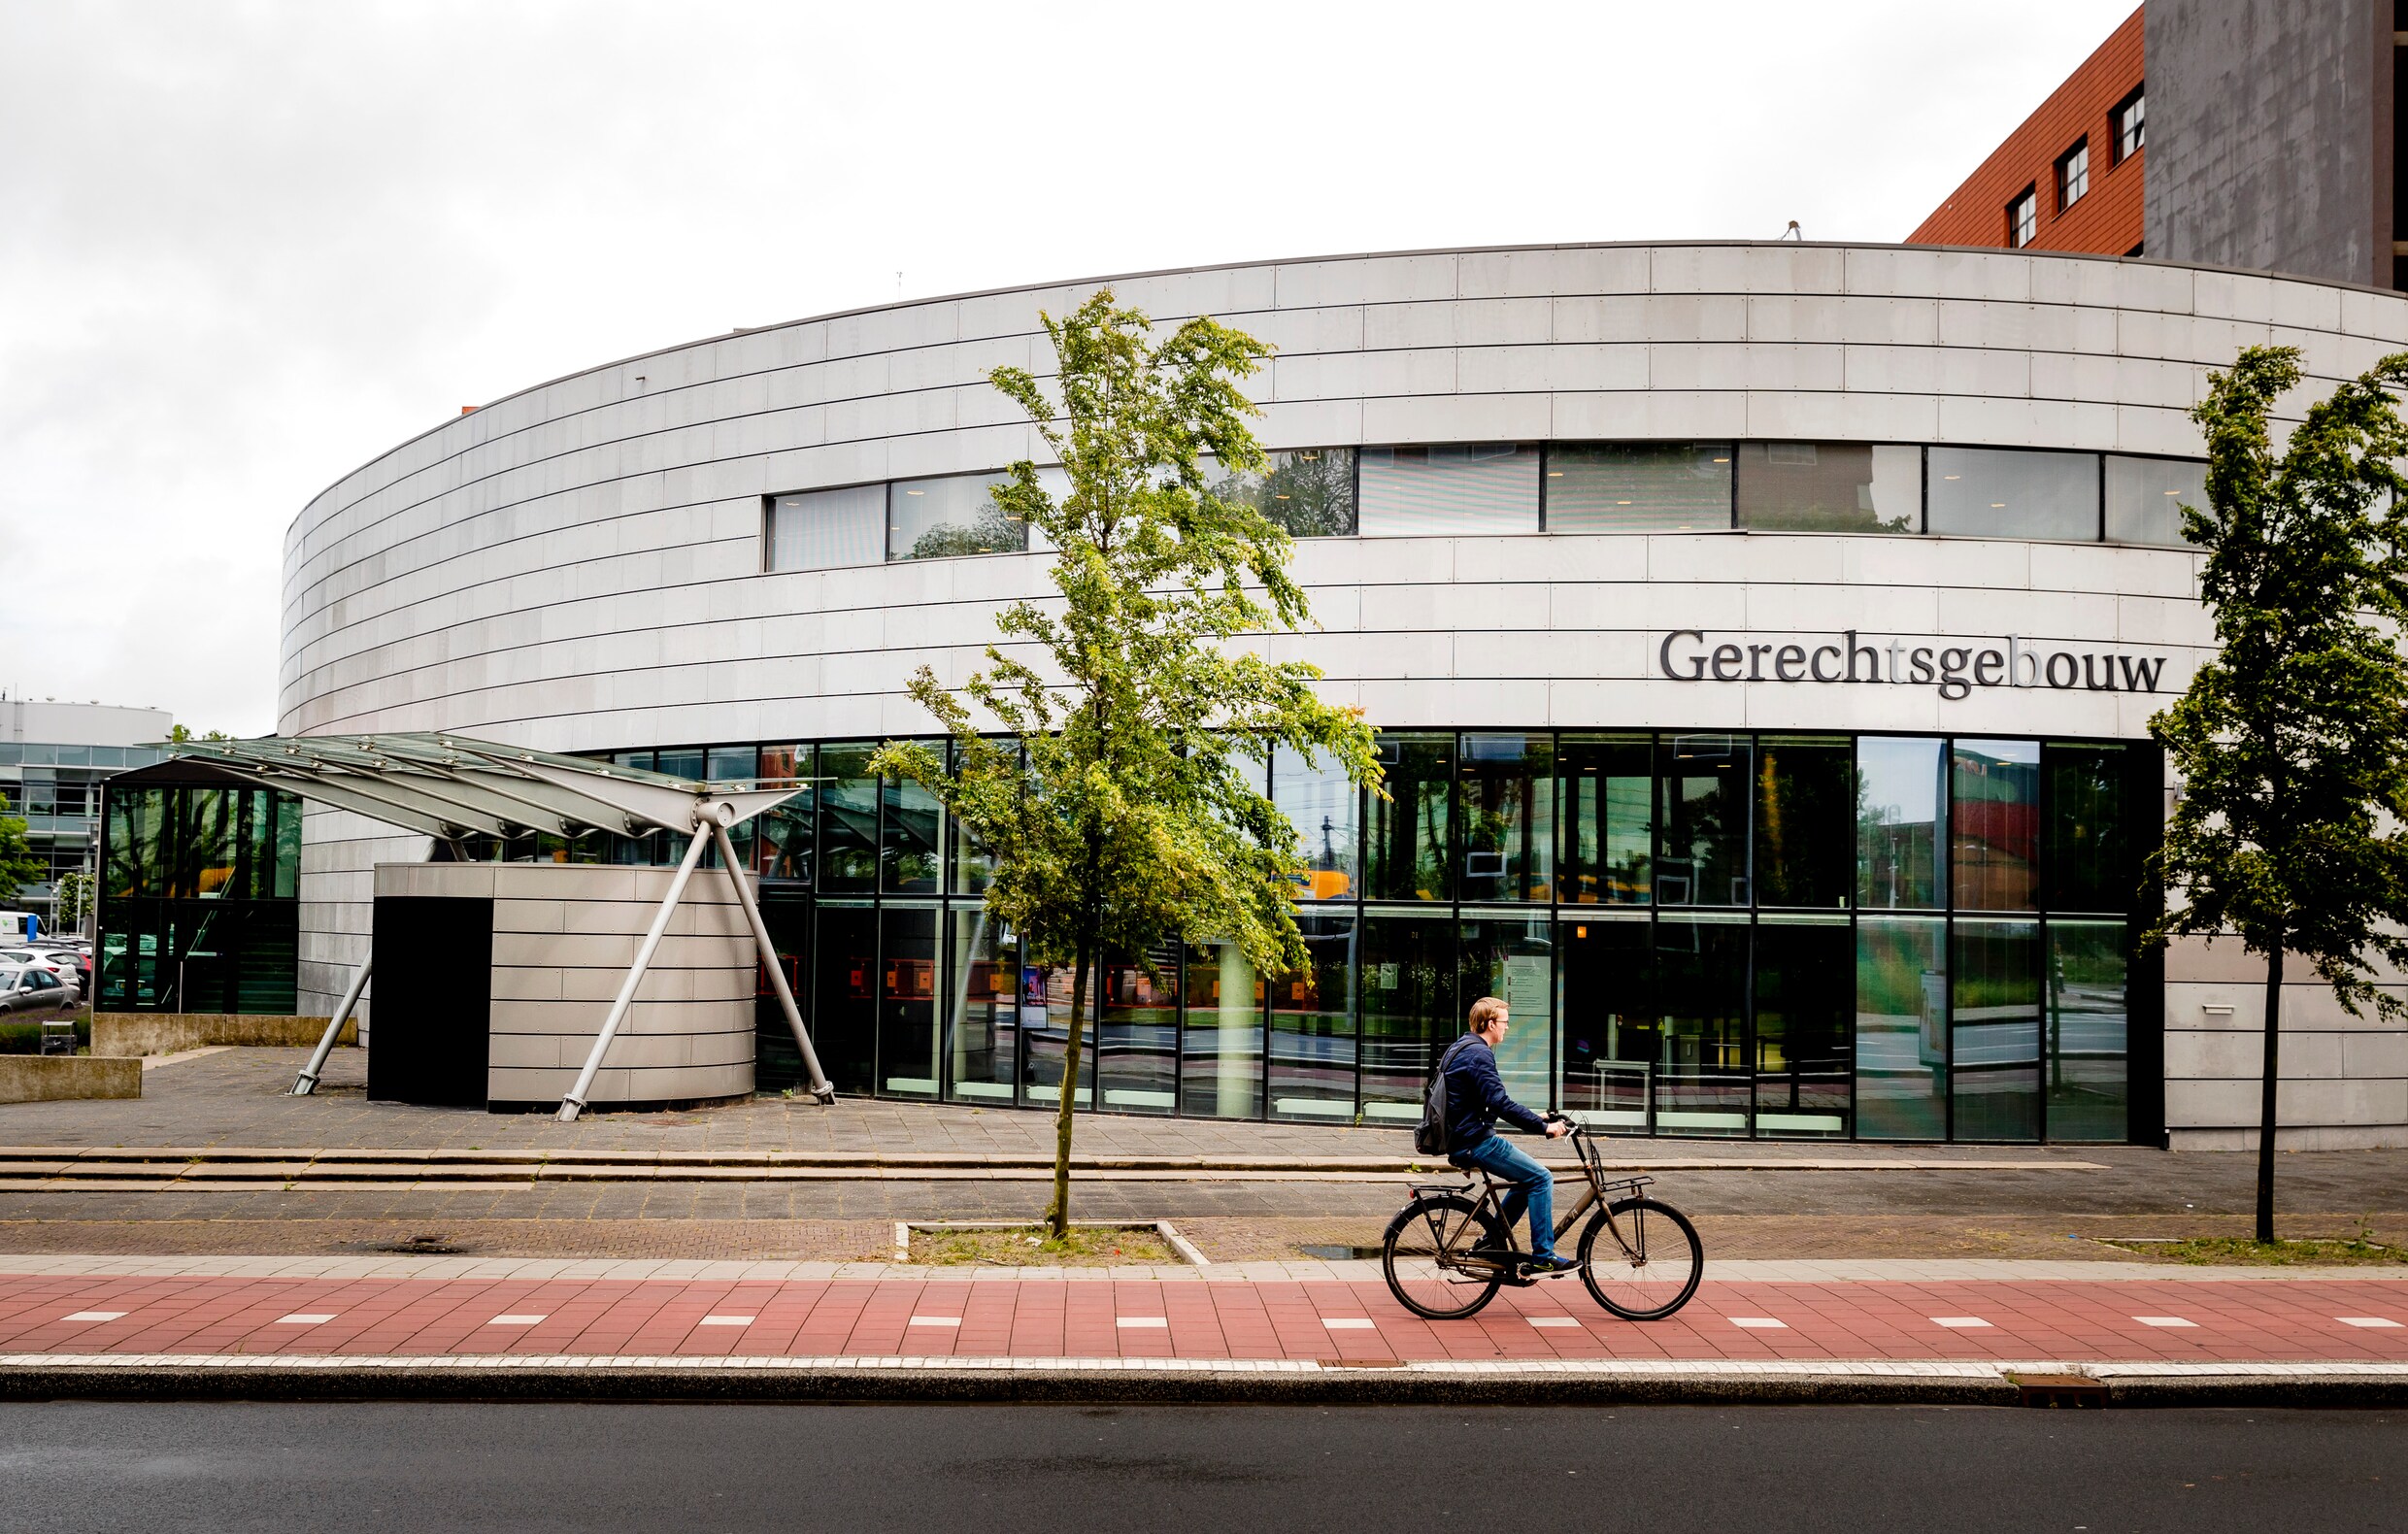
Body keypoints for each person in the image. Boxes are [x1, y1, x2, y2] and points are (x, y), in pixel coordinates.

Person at [1440, 995, 1575, 1271]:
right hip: (1475, 1140)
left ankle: (1493, 1242)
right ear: (1490, 1023)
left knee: (1527, 1181)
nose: (1507, 1028)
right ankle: (1544, 1257)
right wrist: (1544, 1128)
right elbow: (1500, 1103)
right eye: (1504, 1022)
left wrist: (1533, 1117)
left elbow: (1482, 1101)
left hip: (1464, 1136)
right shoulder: (1479, 1054)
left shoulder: (1463, 1047)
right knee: (1541, 1178)